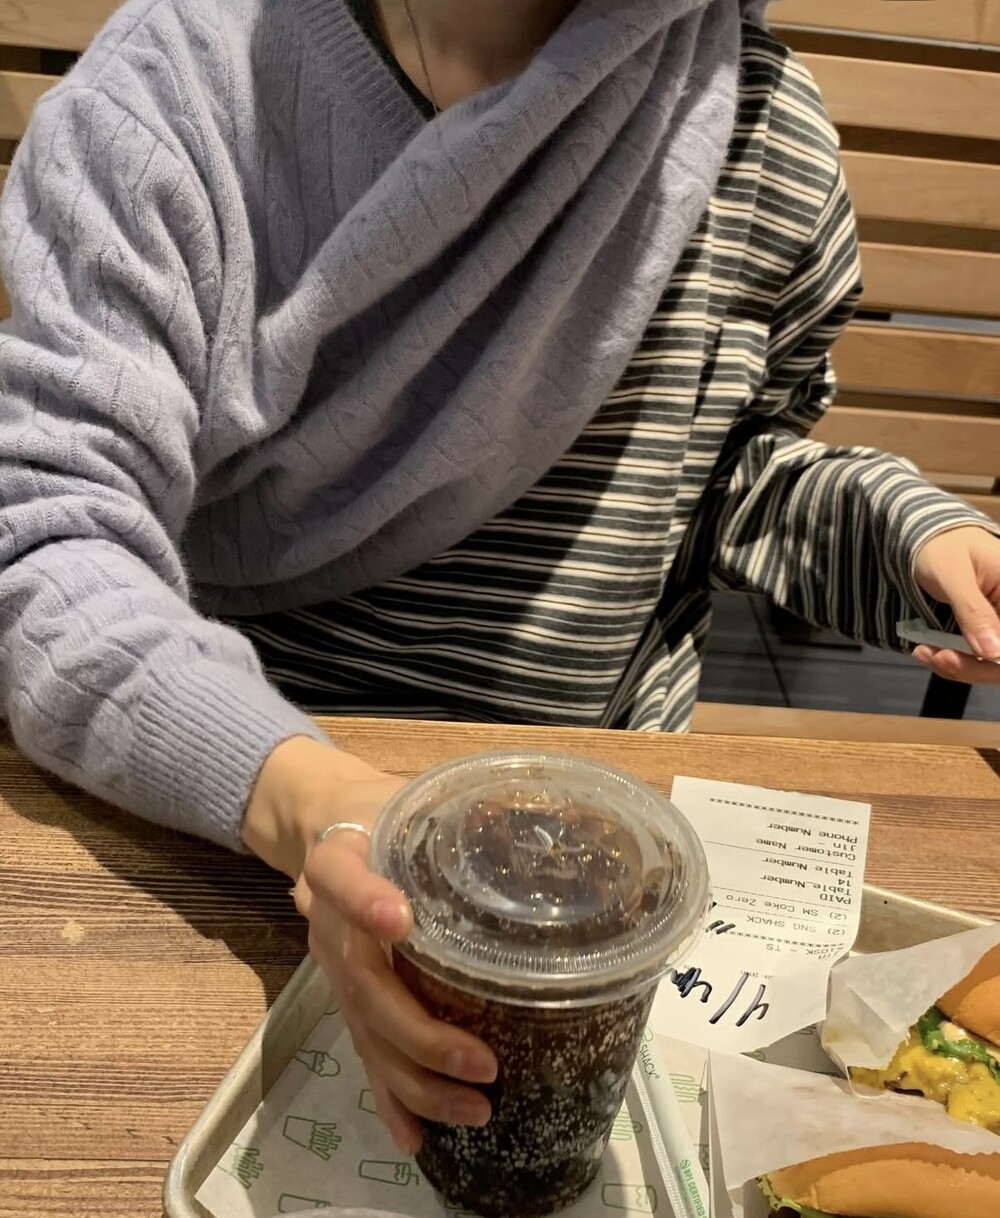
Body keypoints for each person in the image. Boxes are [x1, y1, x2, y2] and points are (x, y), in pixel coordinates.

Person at [1, 0, 998, 1155]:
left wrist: (904, 535)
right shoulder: (181, 90)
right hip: (244, 821)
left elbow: (730, 469)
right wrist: (315, 806)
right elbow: (46, 543)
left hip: (608, 842)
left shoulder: (763, 139)